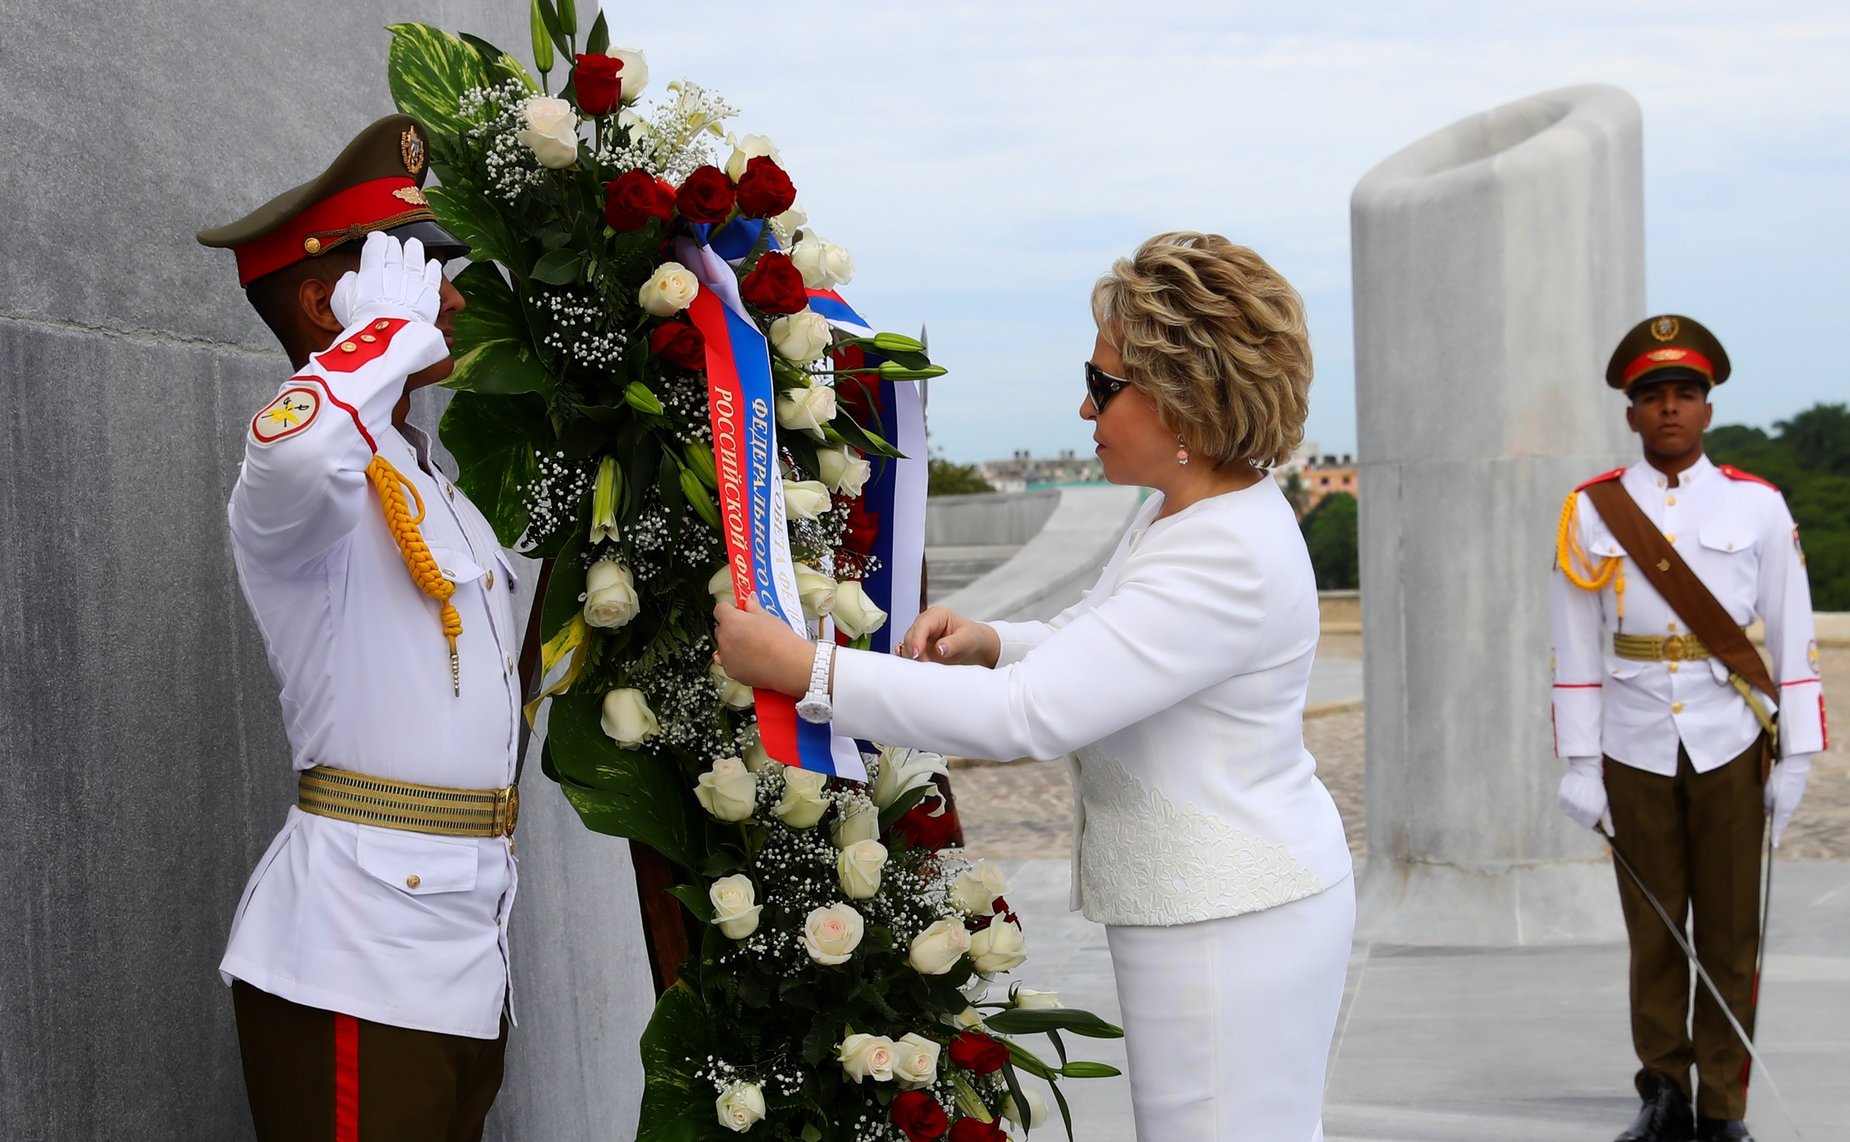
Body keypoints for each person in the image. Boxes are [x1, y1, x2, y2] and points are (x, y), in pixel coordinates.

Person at [716, 232, 1355, 1140]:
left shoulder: (1223, 548)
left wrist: (803, 670)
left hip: (1231, 919)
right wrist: (993, 640)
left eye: (1104, 385)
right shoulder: (1189, 514)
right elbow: (1092, 642)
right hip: (1218, 907)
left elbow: (1028, 718)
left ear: (1185, 399)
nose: (1084, 406)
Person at [197, 115, 524, 1141]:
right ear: (319, 296)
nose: (450, 301)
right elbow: (297, 451)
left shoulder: (436, 485)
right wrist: (379, 332)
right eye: (414, 270)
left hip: (466, 948)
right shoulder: (298, 493)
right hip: (355, 958)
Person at [1549, 314, 1825, 1142]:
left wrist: (1800, 753)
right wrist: (1577, 760)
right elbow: (1573, 645)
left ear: (1707, 409)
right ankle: (1663, 1091)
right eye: (1652, 397)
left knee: (1732, 931)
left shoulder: (1759, 506)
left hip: (1731, 739)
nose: (1669, 409)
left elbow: (1795, 630)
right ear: (1631, 414)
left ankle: (1724, 1108)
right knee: (1654, 928)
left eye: (1685, 394)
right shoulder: (1592, 510)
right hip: (1632, 742)